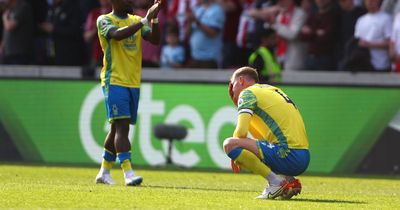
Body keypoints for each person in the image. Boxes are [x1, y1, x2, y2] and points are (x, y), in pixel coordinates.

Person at [94, 0, 161, 186]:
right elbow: (116, 35)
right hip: (114, 80)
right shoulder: (104, 20)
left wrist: (153, 20)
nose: (130, 1)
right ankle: (128, 172)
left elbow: (155, 40)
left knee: (116, 128)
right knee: (123, 127)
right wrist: (145, 19)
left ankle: (104, 172)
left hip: (132, 82)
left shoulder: (136, 19)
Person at [225, 66, 309, 199]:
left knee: (229, 144)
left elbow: (241, 132)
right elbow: (264, 143)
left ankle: (276, 182)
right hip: (303, 156)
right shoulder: (271, 90)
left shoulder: (247, 93)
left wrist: (234, 153)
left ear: (241, 80)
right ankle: (288, 180)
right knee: (255, 147)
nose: (232, 91)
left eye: (233, 85)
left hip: (288, 155)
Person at [354, 0, 392, 72]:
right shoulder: (361, 20)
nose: (369, 2)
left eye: (372, 0)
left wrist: (370, 44)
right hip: (364, 64)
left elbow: (390, 42)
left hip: (381, 64)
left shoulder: (386, 18)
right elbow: (357, 40)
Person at [83, 0, 112, 77]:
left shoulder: (116, 13)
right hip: (96, 55)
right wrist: (95, 30)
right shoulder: (94, 13)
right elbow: (86, 37)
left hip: (114, 55)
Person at [1, 0, 34, 64]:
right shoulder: (10, 9)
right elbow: (6, 32)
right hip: (8, 52)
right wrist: (2, 46)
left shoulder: (23, 7)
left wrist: (4, 18)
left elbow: (9, 26)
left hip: (19, 53)